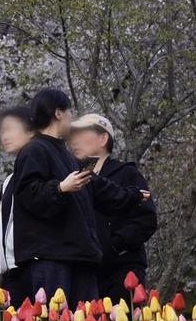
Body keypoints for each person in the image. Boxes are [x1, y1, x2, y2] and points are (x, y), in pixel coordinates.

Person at [9, 88, 147, 305]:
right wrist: (60, 188)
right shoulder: (34, 150)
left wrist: (133, 195)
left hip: (79, 255)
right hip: (50, 256)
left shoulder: (67, 157)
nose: (71, 120)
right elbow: (27, 193)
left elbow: (99, 188)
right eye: (69, 113)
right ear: (58, 113)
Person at [68, 113, 158, 303]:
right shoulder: (74, 179)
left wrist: (115, 245)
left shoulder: (126, 173)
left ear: (103, 138)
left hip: (122, 270)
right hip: (86, 270)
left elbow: (147, 219)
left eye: (81, 133)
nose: (74, 140)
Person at [0, 105, 35, 306]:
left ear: (30, 131)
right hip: (11, 269)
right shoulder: (10, 180)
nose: (4, 136)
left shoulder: (41, 172)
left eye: (10, 129)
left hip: (33, 266)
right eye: (2, 130)